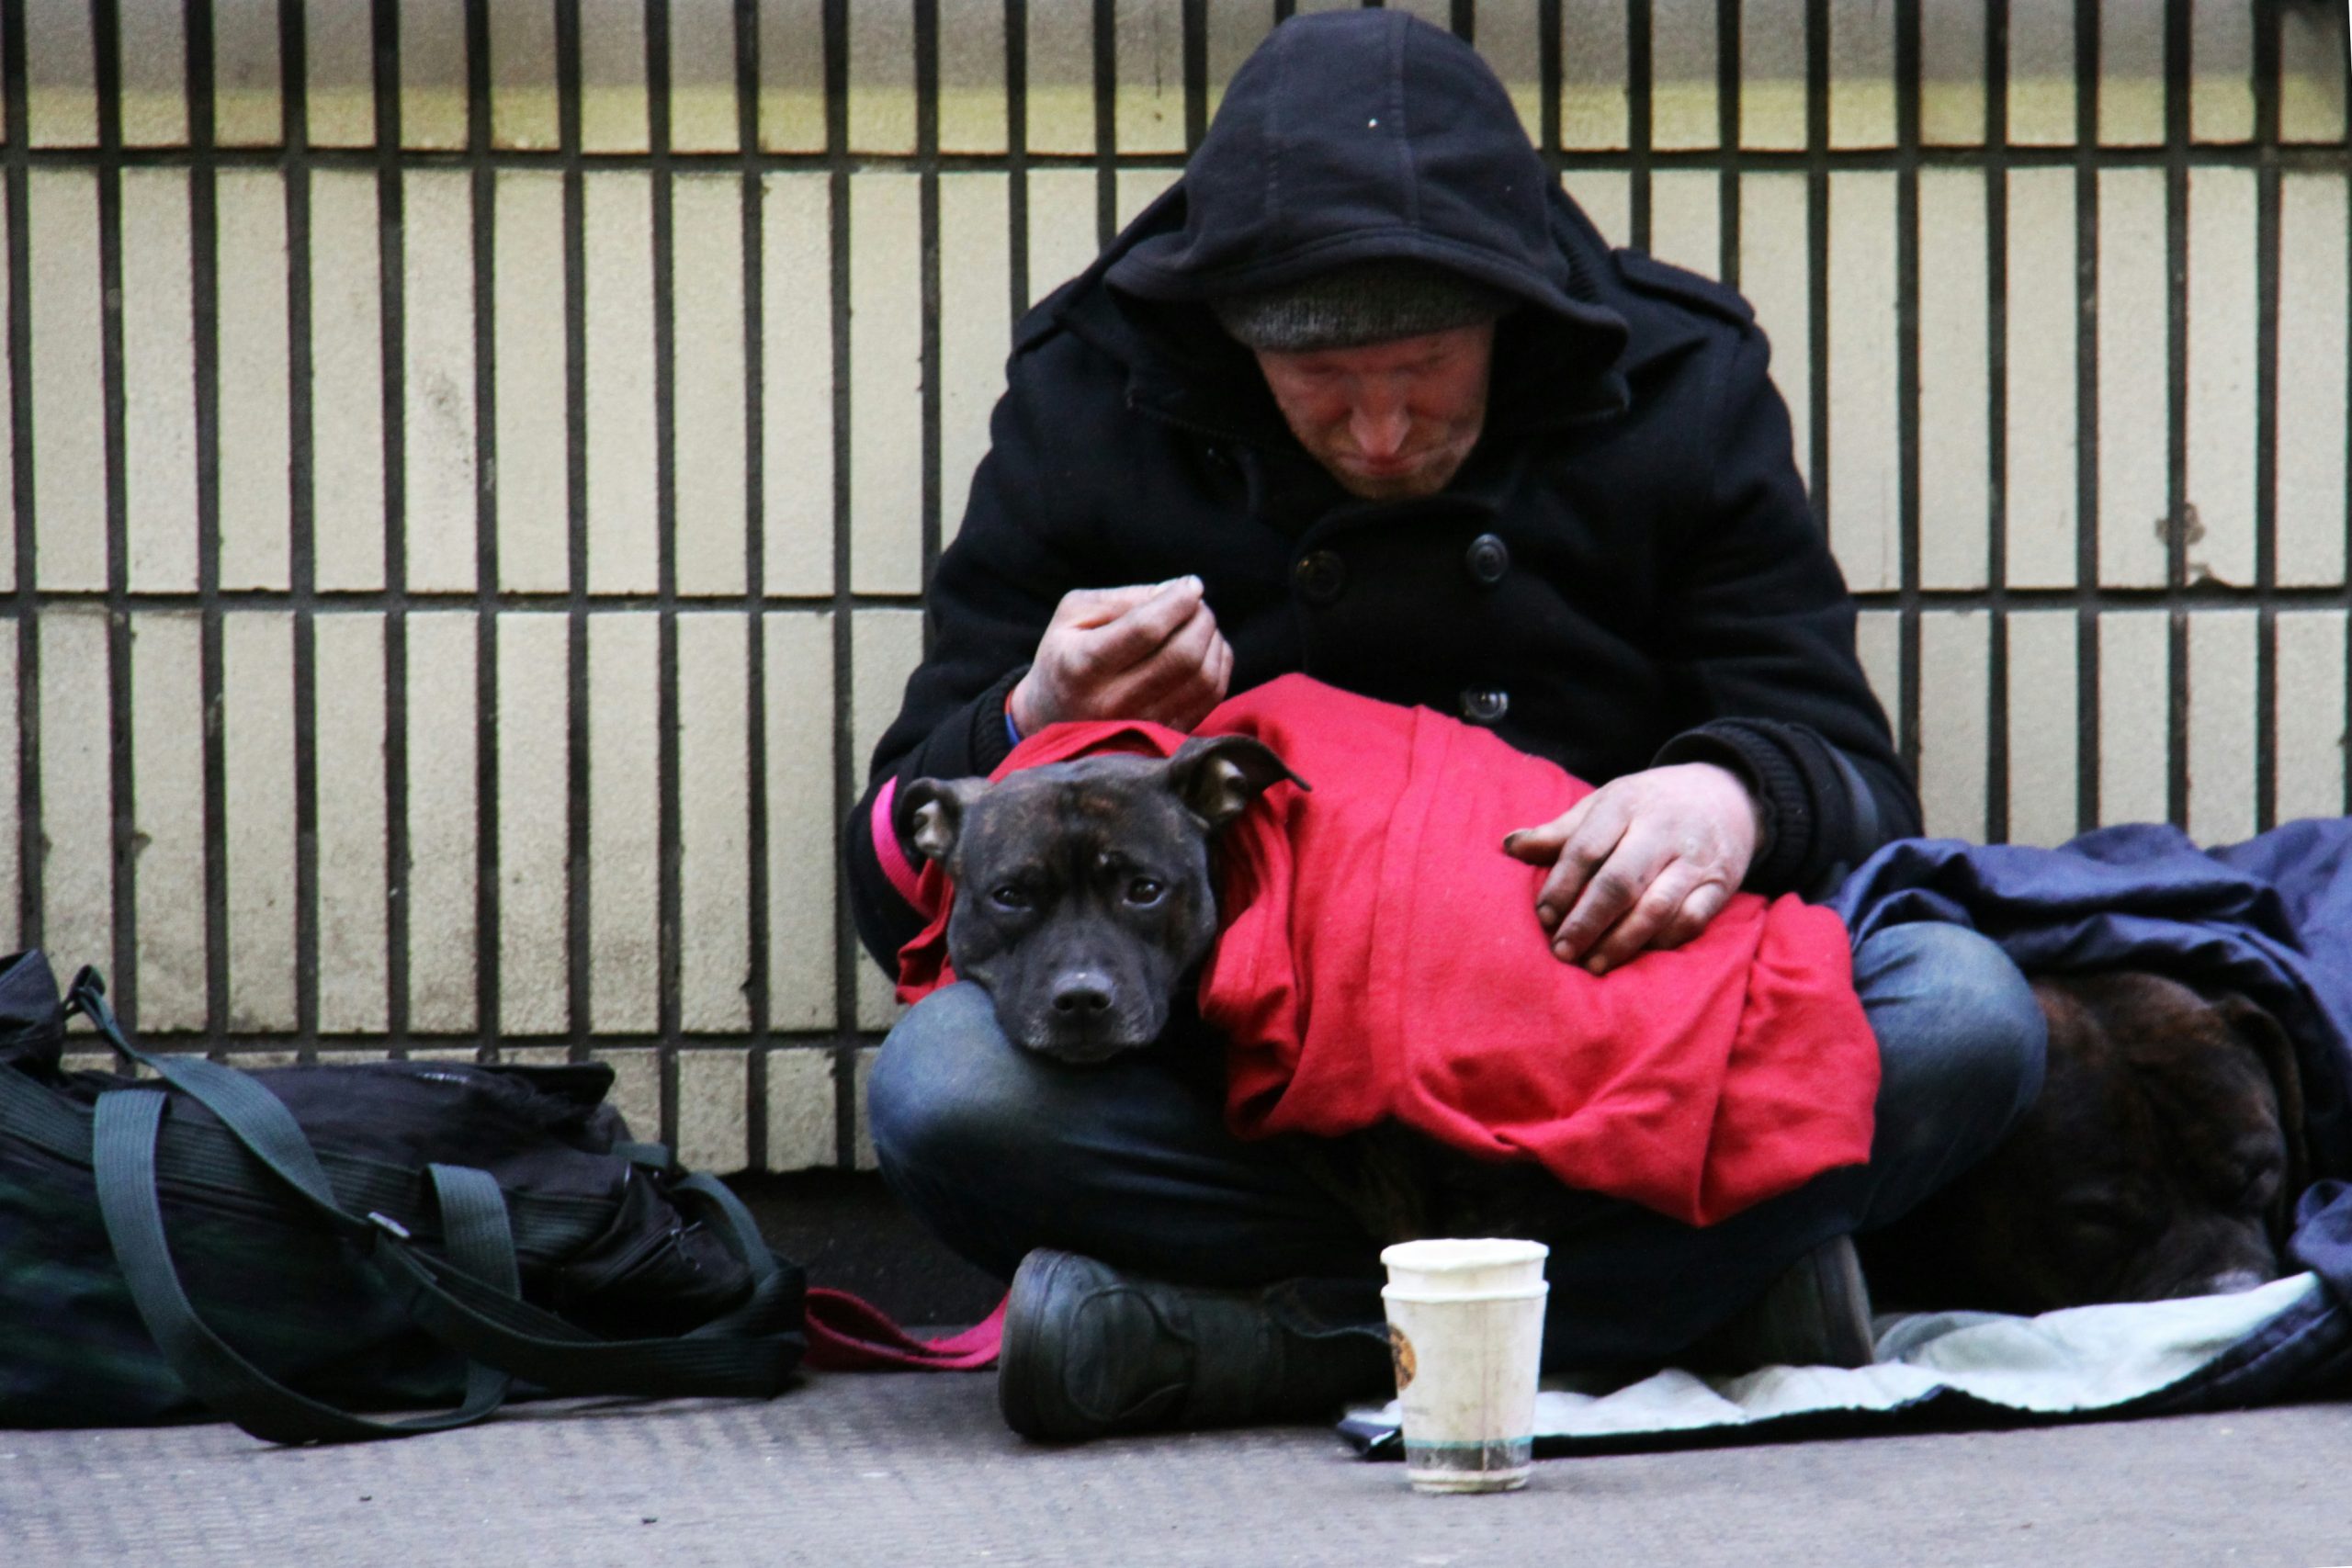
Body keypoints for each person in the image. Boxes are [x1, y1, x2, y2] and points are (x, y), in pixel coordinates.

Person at [844, 10, 2046, 1439]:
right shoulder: (1095, 390)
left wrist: (1724, 797)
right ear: (1235, 343)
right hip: (1247, 1084)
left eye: (1425, 375)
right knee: (945, 1092)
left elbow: (1846, 772)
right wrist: (1035, 710)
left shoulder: (1678, 375)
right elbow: (896, 872)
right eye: (1322, 389)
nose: (1380, 437)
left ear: (1509, 316)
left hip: (1599, 1034)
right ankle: (1676, 1301)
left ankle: (1250, 1347)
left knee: (1967, 1013)